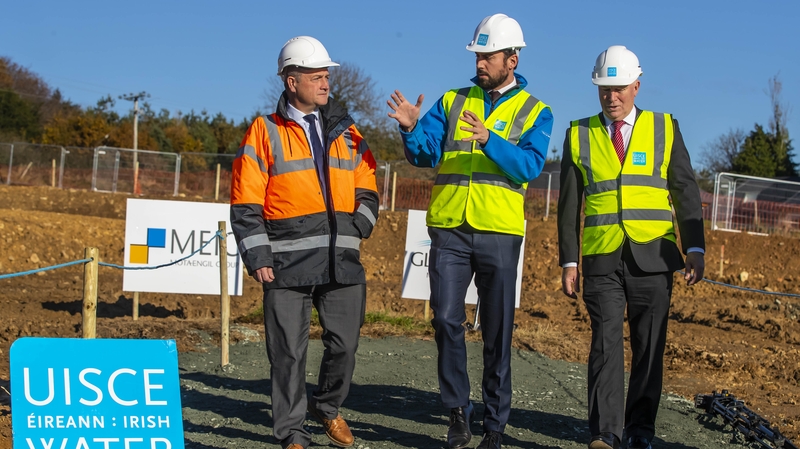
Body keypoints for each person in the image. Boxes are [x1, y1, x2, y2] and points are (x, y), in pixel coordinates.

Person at [387, 13, 553, 449]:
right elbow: (424, 154)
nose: (480, 63)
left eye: (488, 56)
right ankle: (457, 412)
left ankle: (494, 426)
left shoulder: (538, 111)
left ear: (512, 59)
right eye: (477, 55)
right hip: (449, 228)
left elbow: (530, 166)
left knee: (498, 330)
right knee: (445, 318)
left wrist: (489, 141)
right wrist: (409, 127)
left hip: (499, 230)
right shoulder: (451, 101)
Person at [230, 35, 379, 449]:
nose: (325, 82)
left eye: (326, 74)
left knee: (345, 345)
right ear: (291, 81)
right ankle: (292, 433)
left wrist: (359, 226)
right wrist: (257, 253)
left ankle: (327, 407)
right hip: (285, 262)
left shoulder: (348, 130)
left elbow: (368, 182)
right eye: (316, 75)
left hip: (341, 260)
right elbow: (245, 199)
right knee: (288, 355)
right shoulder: (264, 131)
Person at [557, 45, 706, 449]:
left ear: (637, 86)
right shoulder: (578, 133)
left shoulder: (664, 128)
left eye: (620, 87)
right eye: (604, 88)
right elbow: (569, 206)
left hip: (654, 259)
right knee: (604, 345)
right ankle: (606, 433)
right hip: (602, 259)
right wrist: (569, 261)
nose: (612, 96)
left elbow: (685, 191)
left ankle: (639, 431)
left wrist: (695, 249)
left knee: (649, 347)